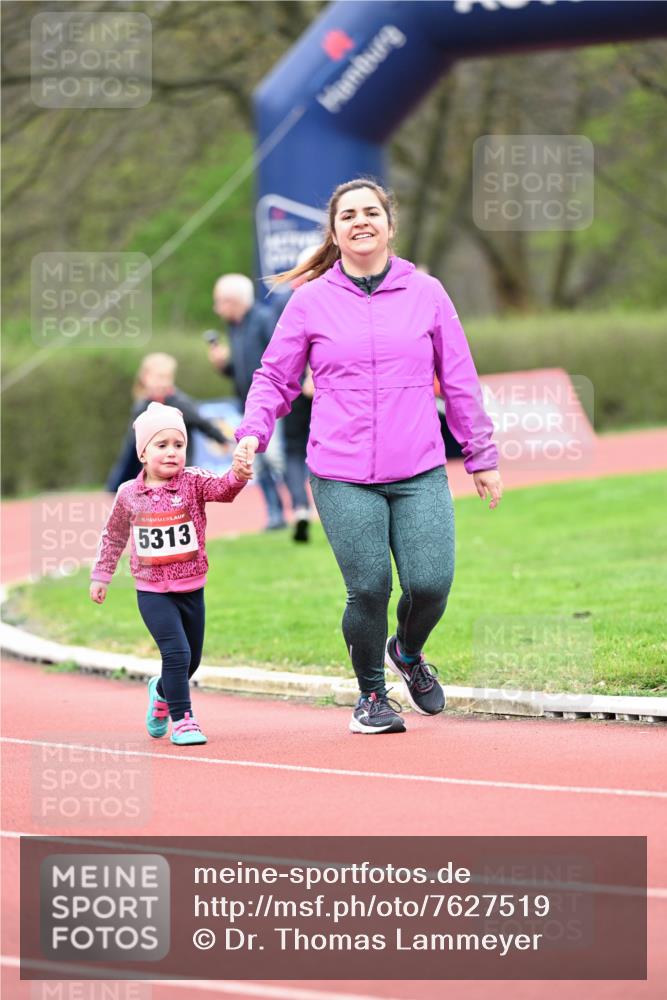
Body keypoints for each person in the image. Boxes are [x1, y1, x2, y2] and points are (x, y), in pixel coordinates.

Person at [233, 178, 503, 735]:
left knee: (430, 584)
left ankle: (406, 650)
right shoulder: (309, 302)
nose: (361, 221)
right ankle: (372, 698)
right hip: (340, 471)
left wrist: (480, 453)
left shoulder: (426, 292)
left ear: (388, 224)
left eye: (370, 212)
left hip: (420, 467)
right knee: (370, 587)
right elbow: (274, 377)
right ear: (334, 231)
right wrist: (253, 430)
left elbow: (459, 378)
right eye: (348, 215)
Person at [90, 402, 250, 746]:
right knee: (175, 654)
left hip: (192, 587)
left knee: (190, 661)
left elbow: (224, 489)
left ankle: (161, 692)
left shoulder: (193, 482)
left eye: (178, 445)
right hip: (153, 591)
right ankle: (183, 719)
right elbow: (114, 535)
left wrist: (237, 474)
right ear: (143, 454)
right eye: (161, 446)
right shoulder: (129, 494)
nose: (172, 453)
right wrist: (101, 575)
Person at [208, 274, 287, 531]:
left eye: (219, 302)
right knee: (259, 463)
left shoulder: (264, 320)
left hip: (270, 405)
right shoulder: (234, 327)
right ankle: (275, 514)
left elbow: (281, 363)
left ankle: (299, 508)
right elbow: (239, 370)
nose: (216, 308)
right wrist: (224, 366)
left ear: (232, 301)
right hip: (246, 404)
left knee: (276, 458)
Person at [106, 353, 230, 493]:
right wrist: (117, 483)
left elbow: (203, 423)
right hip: (153, 473)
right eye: (159, 377)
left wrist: (222, 440)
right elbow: (131, 449)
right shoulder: (141, 407)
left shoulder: (180, 404)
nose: (163, 382)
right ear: (145, 378)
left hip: (179, 469)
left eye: (167, 378)